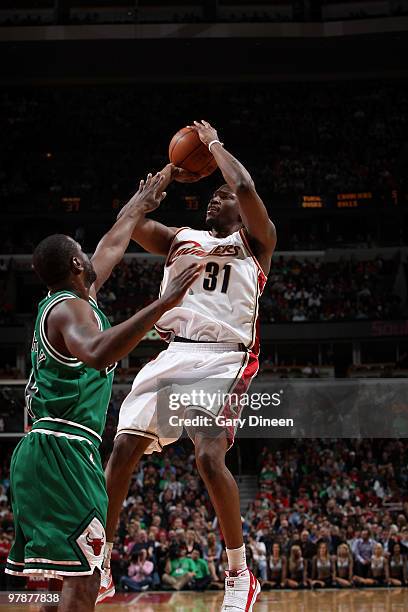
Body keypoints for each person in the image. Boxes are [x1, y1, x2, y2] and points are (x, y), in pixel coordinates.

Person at [4, 173, 201, 612]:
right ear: (76, 264)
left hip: (51, 451)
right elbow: (95, 352)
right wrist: (164, 304)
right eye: (81, 253)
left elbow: (114, 241)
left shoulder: (77, 298)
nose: (90, 255)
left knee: (64, 581)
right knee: (85, 579)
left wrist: (140, 201)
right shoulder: (70, 309)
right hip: (62, 451)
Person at [101, 120, 277, 611]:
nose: (215, 200)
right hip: (173, 352)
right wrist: (167, 174)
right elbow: (127, 224)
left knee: (205, 456)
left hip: (224, 358)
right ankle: (103, 566)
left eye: (222, 197)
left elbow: (243, 185)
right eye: (211, 195)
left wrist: (214, 145)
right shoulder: (180, 237)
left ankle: (240, 574)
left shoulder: (257, 245)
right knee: (122, 451)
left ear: (241, 210)